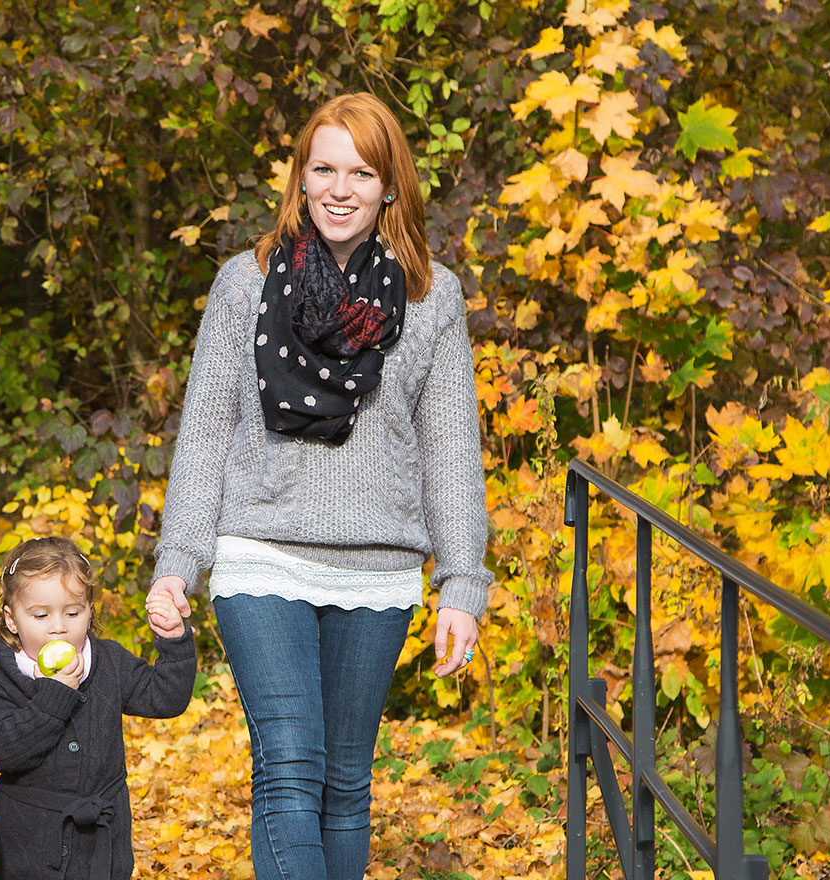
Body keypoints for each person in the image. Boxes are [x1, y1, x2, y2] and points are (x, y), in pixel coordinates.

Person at [144, 92, 491, 880]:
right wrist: (179, 561)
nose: (340, 188)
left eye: (361, 172)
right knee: (290, 769)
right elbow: (204, 432)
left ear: (390, 187)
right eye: (324, 168)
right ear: (300, 179)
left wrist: (464, 584)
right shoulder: (246, 283)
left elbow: (451, 453)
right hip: (260, 554)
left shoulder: (433, 299)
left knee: (344, 786)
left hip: (380, 567)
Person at [0, 537, 197, 880]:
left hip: (103, 846)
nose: (58, 626)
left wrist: (174, 643)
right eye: (40, 614)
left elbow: (165, 698)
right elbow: (7, 750)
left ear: (90, 610)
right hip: (31, 850)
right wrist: (57, 693)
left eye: (73, 612)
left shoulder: (107, 662)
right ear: (12, 619)